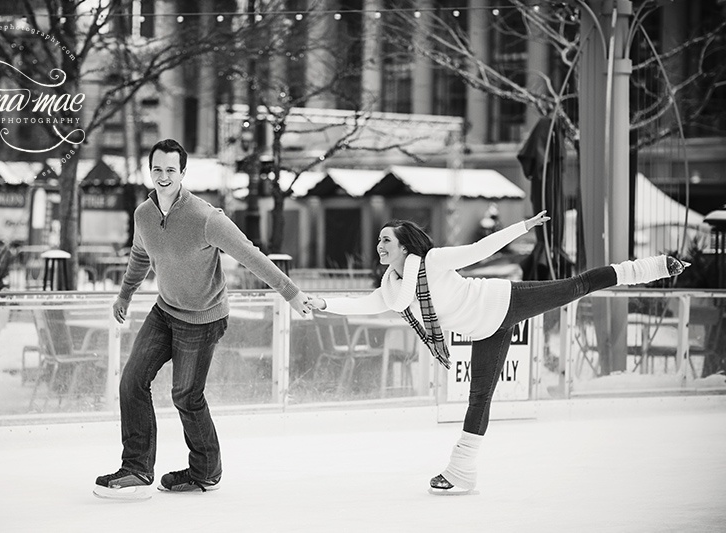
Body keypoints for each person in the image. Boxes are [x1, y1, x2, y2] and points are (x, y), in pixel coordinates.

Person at [304, 211, 687, 494]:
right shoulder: (391, 286)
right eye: (380, 241)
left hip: (503, 301)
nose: (379, 246)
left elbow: (478, 248)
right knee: (479, 397)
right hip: (482, 329)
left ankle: (650, 267)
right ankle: (462, 472)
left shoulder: (433, 262)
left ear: (404, 245)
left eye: (386, 240)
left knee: (575, 286)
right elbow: (363, 304)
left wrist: (523, 226)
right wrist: (321, 302)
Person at [95, 139, 310, 498]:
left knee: (186, 394)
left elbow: (250, 255)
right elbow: (139, 255)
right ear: (151, 171)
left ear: (182, 173)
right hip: (165, 310)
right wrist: (125, 294)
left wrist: (290, 292)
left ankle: (204, 472)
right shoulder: (144, 214)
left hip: (203, 318)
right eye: (157, 169)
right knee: (131, 381)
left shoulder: (206, 218)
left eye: (170, 170)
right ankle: (135, 468)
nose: (163, 176)